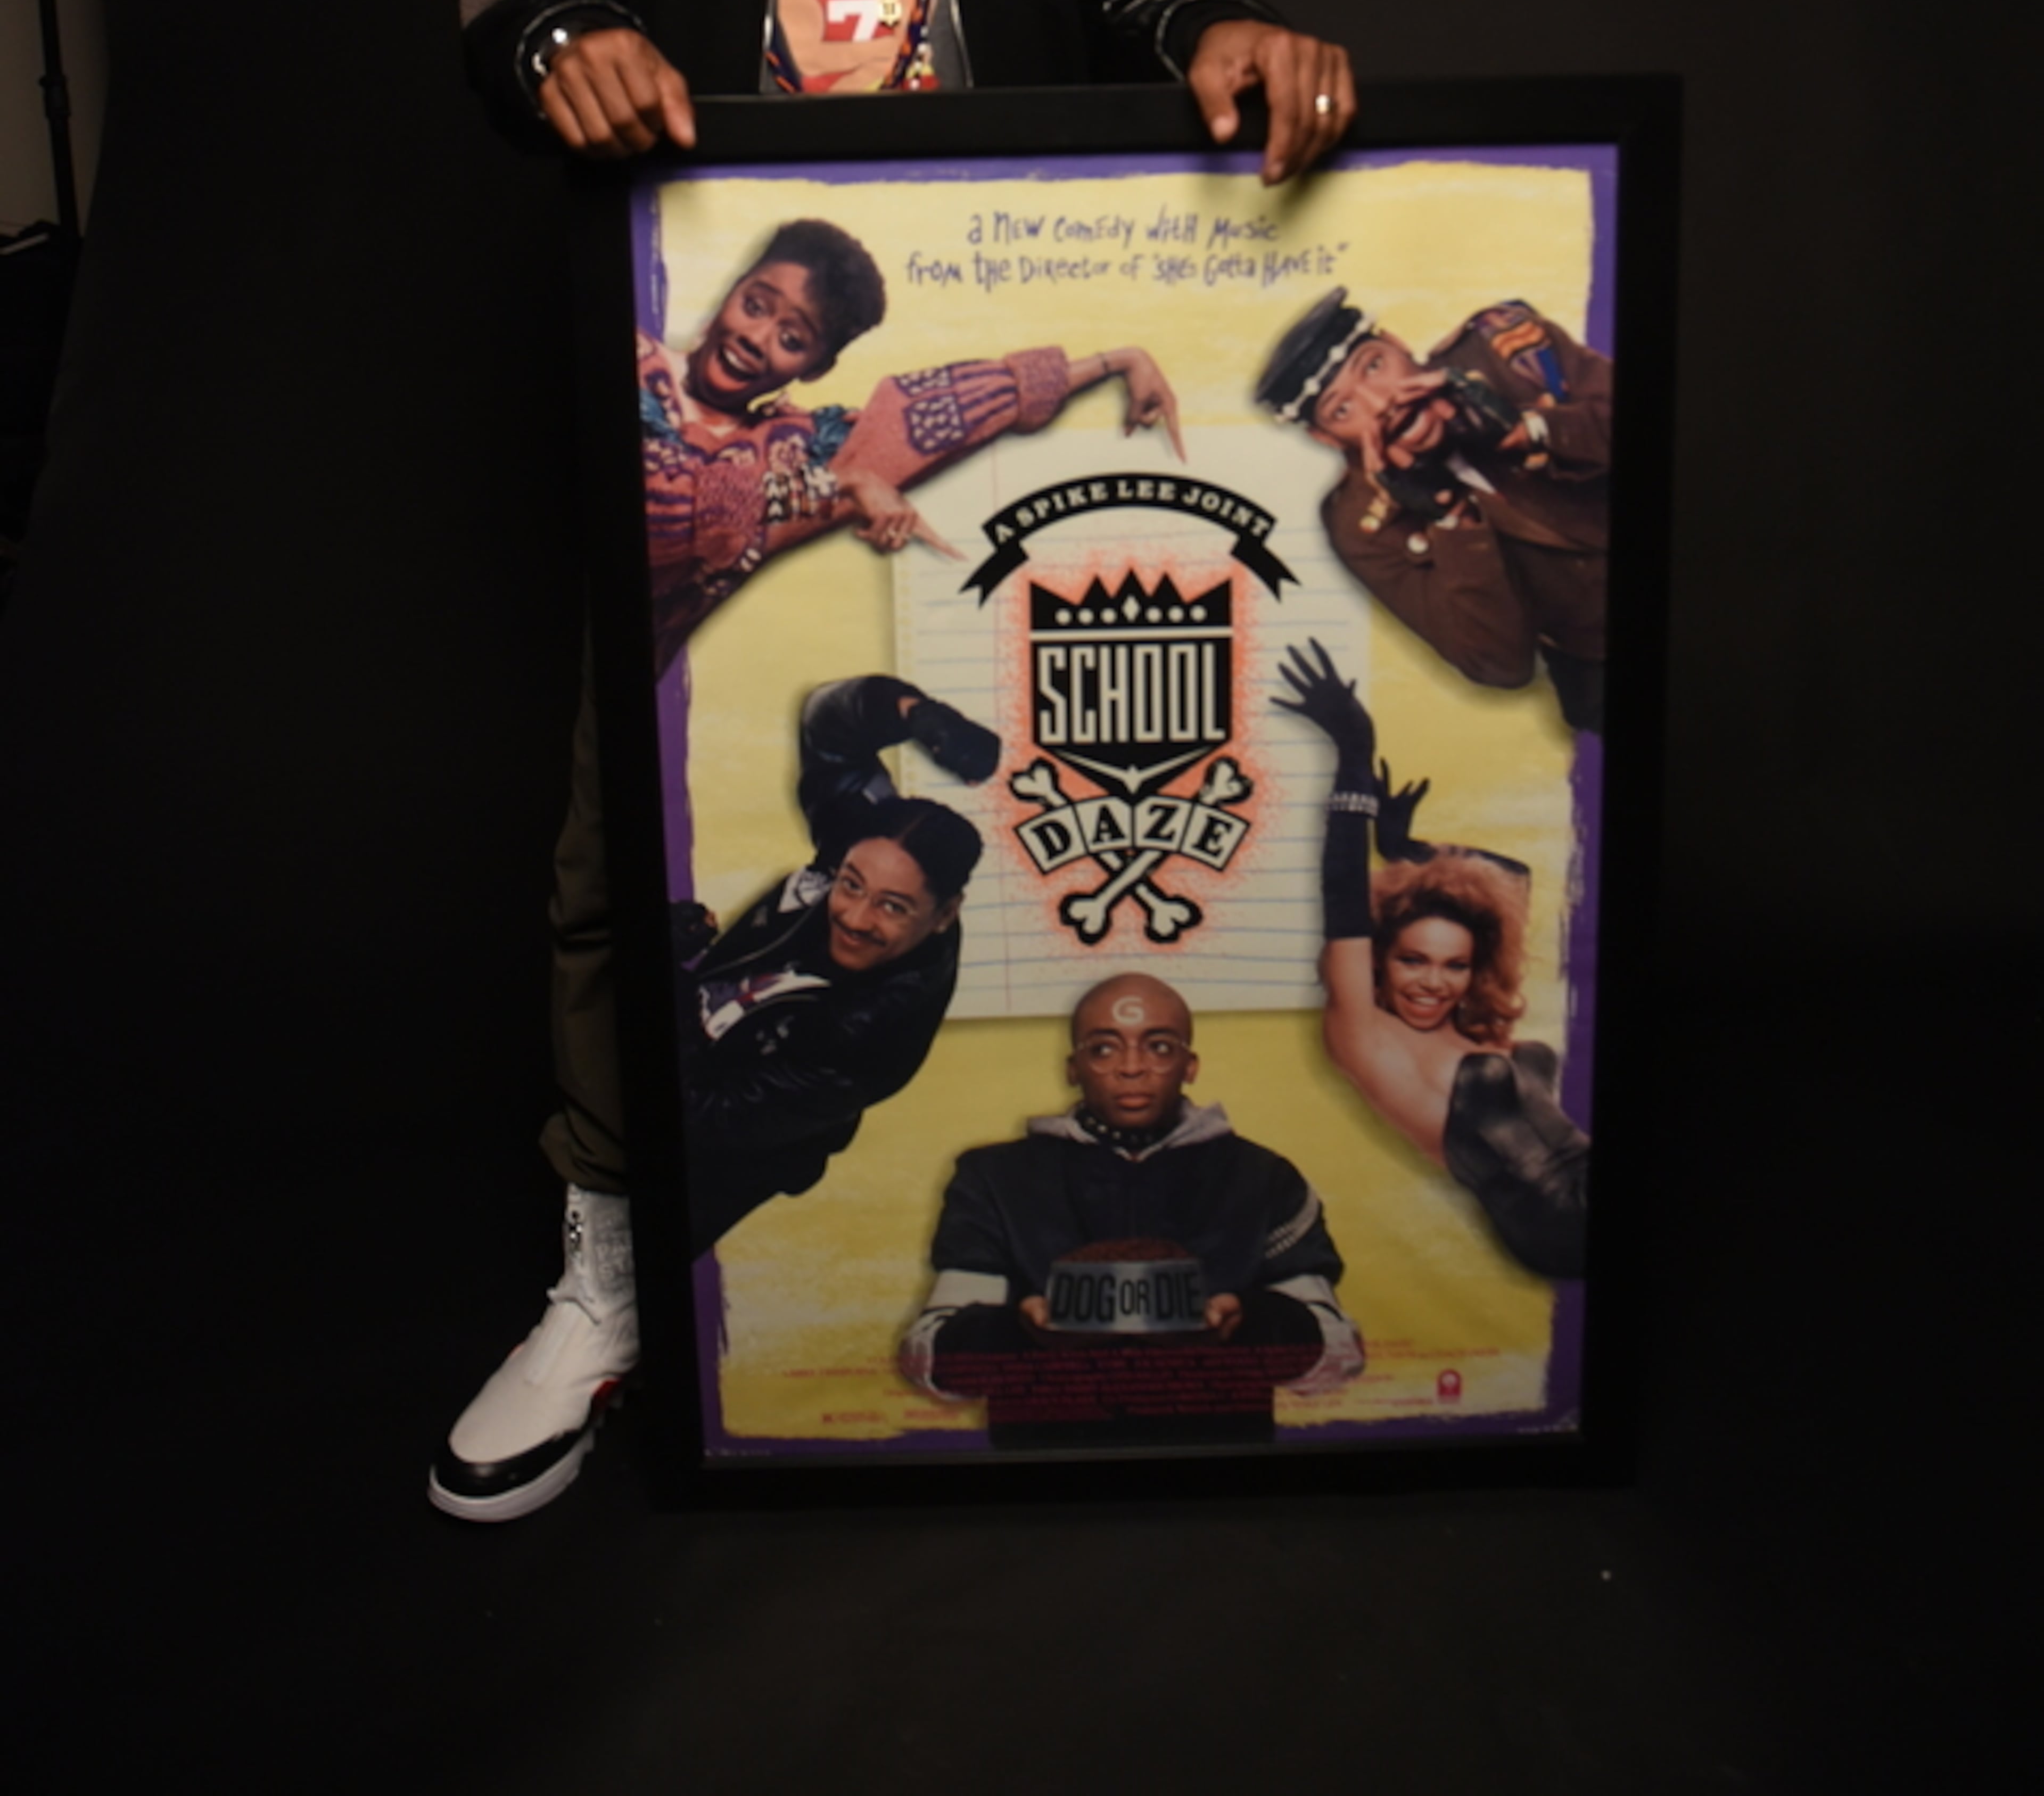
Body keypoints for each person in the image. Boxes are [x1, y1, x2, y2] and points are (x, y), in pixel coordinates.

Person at [446, 0, 1357, 1518]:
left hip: (964, 320)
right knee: (629, 828)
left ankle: (960, 1248)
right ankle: (609, 1264)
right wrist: (567, 36)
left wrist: (1216, 26)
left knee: (1006, 807)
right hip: (696, 348)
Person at [432, 676, 988, 1519]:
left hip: (739, 1139)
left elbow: (701, 1120)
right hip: (718, 1035)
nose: (855, 914)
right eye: (849, 883)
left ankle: (615, 1309)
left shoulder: (872, 1034)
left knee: (669, 1201)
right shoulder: (877, 842)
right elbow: (830, 726)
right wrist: (919, 716)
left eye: (894, 908)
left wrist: (662, 985)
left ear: (944, 916)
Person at [637, 213, 1184, 671]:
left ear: (817, 366)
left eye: (792, 339)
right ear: (733, 288)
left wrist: (1119, 360)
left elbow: (928, 416)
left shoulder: (792, 445)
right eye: (755, 305)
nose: (756, 338)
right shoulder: (636, 365)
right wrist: (842, 483)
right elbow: (661, 514)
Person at [899, 971, 1363, 1446]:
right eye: (1104, 1048)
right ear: (1073, 1067)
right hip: (1048, 1469)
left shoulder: (1263, 1176)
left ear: (1190, 1065)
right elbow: (931, 1359)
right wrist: (1021, 1330)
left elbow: (1338, 1353)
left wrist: (1248, 1324)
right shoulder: (996, 1177)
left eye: (1159, 1047)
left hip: (1217, 1467)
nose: (1132, 1067)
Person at [1275, 638, 1590, 1282]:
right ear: (1381, 961)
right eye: (1414, 960)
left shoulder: (1474, 1030)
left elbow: (1513, 878)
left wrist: (1406, 847)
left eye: (1454, 966)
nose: (1433, 982)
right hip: (1559, 1222)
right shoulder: (1367, 1038)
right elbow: (1341, 896)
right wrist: (1353, 755)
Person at [1255, 288, 1610, 731]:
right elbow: (1501, 665)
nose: (1381, 404)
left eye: (1374, 366)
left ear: (1397, 342)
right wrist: (1451, 518)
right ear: (1326, 439)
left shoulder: (1504, 347)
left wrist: (1527, 430)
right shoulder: (1362, 527)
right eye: (1343, 409)